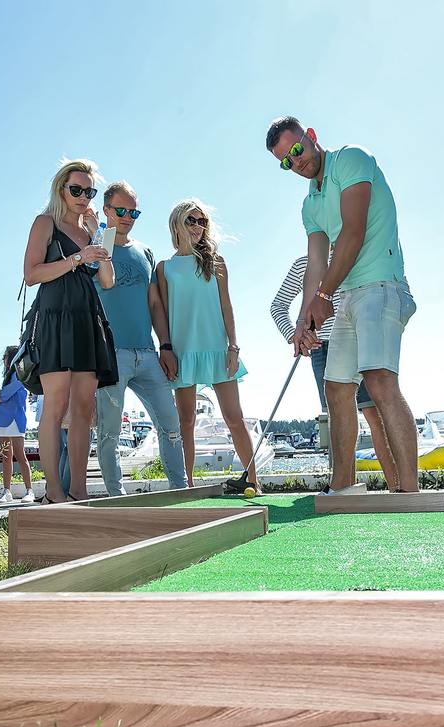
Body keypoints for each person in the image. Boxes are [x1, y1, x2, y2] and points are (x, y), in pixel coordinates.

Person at [266, 116, 418, 495]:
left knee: (380, 381)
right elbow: (316, 264)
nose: (296, 162)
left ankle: (410, 492)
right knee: (336, 388)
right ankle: (343, 487)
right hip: (347, 295)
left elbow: (353, 231)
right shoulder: (310, 205)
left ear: (311, 137)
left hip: (381, 285)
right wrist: (303, 320)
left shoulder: (352, 159)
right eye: (286, 161)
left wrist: (322, 297)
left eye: (296, 150)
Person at [22, 158, 118, 504]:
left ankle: (78, 490)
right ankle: (53, 492)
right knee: (55, 403)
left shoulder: (92, 232)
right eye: (76, 189)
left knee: (84, 409)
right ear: (61, 188)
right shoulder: (45, 222)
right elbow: (31, 274)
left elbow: (107, 282)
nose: (82, 196)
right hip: (54, 316)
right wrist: (78, 258)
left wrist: (97, 242)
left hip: (86, 317)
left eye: (89, 191)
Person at [157, 199, 260, 492]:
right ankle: (186, 486)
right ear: (177, 223)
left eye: (202, 221)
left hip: (217, 349)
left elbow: (227, 306)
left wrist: (234, 346)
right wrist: (166, 349)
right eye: (192, 220)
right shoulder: (164, 268)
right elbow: (162, 312)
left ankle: (254, 481)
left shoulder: (216, 262)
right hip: (183, 352)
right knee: (185, 421)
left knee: (234, 417)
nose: (199, 227)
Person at [271, 254, 399, 489]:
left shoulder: (355, 257)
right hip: (323, 346)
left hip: (359, 339)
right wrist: (295, 335)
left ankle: (397, 488)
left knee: (374, 415)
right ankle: (344, 489)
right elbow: (278, 305)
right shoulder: (304, 264)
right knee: (338, 416)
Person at [93, 181, 188, 495]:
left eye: (133, 212)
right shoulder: (95, 248)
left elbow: (155, 303)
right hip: (111, 353)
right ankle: (116, 498)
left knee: (171, 425)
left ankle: (180, 491)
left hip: (147, 353)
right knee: (109, 433)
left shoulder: (145, 251)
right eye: (120, 210)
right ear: (106, 210)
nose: (127, 217)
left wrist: (166, 345)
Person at [0, 346, 34, 503]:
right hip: (3, 419)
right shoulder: (9, 375)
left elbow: (6, 394)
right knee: (6, 456)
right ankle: (6, 490)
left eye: (5, 357)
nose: (3, 360)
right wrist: (0, 397)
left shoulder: (19, 373)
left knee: (20, 455)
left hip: (15, 419)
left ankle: (29, 490)